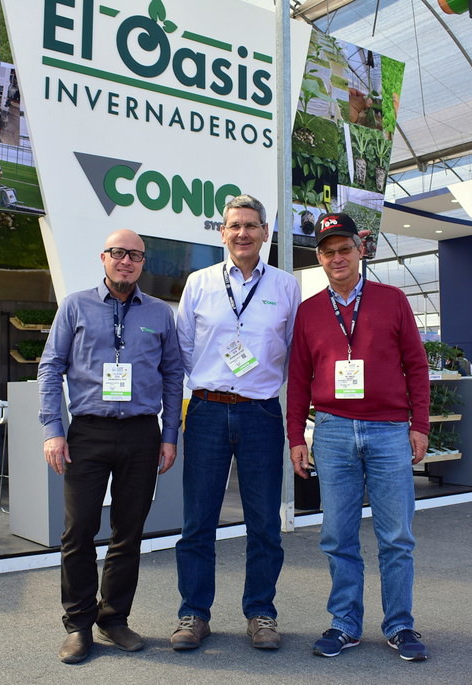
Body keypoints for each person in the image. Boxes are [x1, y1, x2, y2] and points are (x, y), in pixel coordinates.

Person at [287, 212, 430, 662]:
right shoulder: (309, 311)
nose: (337, 258)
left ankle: (400, 624)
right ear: (319, 258)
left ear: (360, 250)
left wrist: (420, 425)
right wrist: (296, 436)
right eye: (328, 252)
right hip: (332, 431)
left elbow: (416, 366)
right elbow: (298, 378)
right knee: (337, 534)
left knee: (396, 535)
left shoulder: (393, 300)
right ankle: (345, 623)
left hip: (389, 430)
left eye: (344, 249)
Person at [38, 229, 184, 665]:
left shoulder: (159, 313)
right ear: (103, 257)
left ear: (143, 263)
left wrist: (169, 435)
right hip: (87, 432)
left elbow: (173, 374)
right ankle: (78, 624)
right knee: (78, 530)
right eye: (118, 253)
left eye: (135, 255)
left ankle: (114, 617)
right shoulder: (75, 306)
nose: (126, 261)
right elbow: (50, 367)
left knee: (128, 531)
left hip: (141, 433)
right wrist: (53, 429)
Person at [172, 194, 301, 651]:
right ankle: (194, 613)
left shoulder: (286, 286)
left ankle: (261, 613)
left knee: (264, 521)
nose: (242, 233)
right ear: (223, 233)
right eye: (234, 226)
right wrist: (204, 389)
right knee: (198, 520)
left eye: (251, 225)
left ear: (265, 232)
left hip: (260, 412)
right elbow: (182, 348)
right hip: (206, 410)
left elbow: (294, 353)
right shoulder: (199, 282)